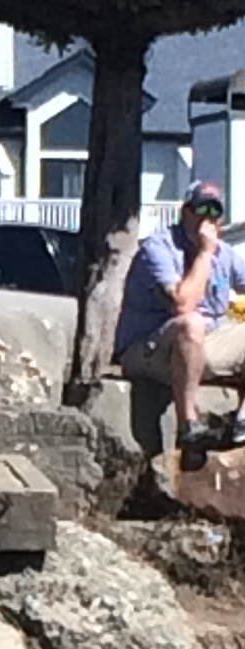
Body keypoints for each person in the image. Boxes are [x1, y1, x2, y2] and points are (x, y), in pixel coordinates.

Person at [115, 179, 245, 454]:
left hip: (204, 344)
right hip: (150, 349)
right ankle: (188, 424)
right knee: (191, 323)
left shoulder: (226, 254)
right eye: (201, 209)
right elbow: (182, 304)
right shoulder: (159, 248)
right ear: (185, 212)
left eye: (214, 212)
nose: (206, 219)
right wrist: (204, 254)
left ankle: (243, 421)